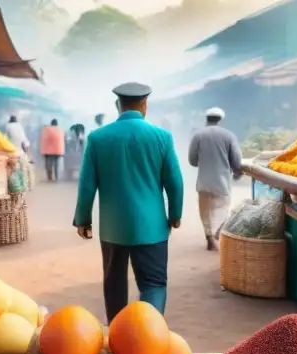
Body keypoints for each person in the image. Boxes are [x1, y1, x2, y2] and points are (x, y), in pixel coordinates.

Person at [74, 83, 184, 322]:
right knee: (153, 284)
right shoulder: (162, 137)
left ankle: (117, 336)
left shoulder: (97, 138)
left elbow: (86, 185)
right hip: (152, 228)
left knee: (114, 284)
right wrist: (175, 214)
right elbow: (174, 181)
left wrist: (83, 219)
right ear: (144, 104)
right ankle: (148, 336)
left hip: (113, 229)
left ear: (118, 105)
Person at [188, 107, 243, 251]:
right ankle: (218, 231)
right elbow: (237, 161)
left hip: (204, 183)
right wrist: (237, 172)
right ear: (220, 120)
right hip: (222, 183)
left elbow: (192, 161)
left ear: (207, 119)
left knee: (205, 211)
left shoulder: (197, 135)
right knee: (223, 209)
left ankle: (209, 237)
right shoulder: (229, 136)